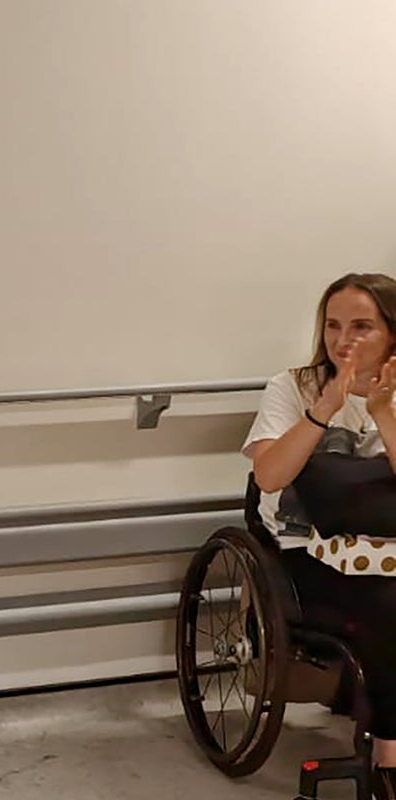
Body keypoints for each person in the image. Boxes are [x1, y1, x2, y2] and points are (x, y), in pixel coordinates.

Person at [243, 272, 396, 797]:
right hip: (305, 555)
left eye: (362, 326)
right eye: (332, 326)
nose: (343, 340)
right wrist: (324, 409)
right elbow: (268, 477)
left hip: (386, 551)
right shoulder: (292, 387)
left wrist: (383, 414)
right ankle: (389, 755)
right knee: (389, 603)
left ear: (392, 334)